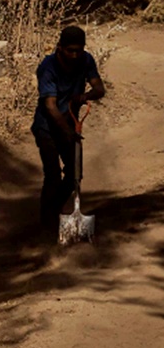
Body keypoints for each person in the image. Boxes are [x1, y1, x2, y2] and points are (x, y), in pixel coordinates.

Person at [32, 25, 105, 230]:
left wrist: (85, 96)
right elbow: (50, 106)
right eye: (70, 50)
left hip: (70, 125)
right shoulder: (48, 67)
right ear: (59, 48)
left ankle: (53, 210)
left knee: (75, 175)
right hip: (47, 127)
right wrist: (67, 132)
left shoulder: (86, 60)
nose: (74, 55)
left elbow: (99, 88)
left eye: (78, 50)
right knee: (53, 176)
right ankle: (46, 225)